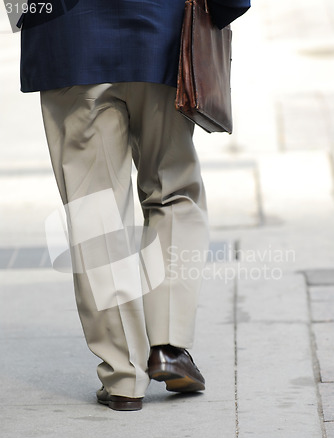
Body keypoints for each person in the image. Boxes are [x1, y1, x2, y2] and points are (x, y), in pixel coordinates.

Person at [19, 0, 250, 411]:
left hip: (69, 38)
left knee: (94, 211)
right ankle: (169, 344)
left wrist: (30, 14)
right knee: (173, 189)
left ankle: (125, 373)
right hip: (161, 33)